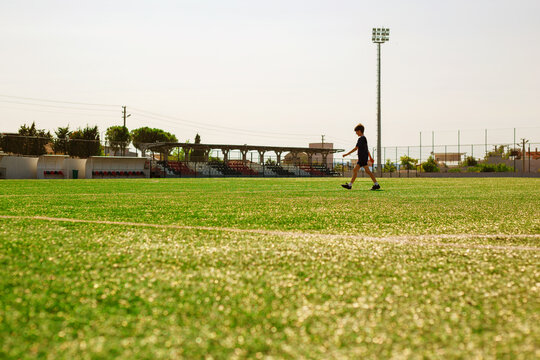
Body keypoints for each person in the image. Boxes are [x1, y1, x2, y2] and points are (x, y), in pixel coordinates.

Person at [341, 123, 380, 190]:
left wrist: (346, 154)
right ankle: (376, 184)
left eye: (356, 131)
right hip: (363, 158)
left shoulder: (361, 139)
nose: (356, 133)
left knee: (359, 170)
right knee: (361, 171)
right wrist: (370, 157)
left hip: (362, 158)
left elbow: (356, 148)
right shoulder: (364, 138)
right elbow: (366, 149)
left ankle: (350, 185)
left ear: (359, 131)